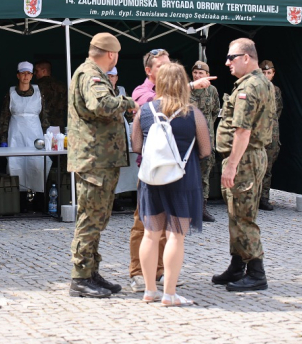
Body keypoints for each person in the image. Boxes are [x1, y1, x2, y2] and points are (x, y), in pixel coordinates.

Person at [128, 49, 216, 293]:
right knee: (175, 235)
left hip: (151, 177)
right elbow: (206, 150)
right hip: (182, 178)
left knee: (150, 234)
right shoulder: (192, 113)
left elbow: (135, 146)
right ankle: (168, 292)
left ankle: (149, 290)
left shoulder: (145, 111)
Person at [67, 32, 138, 298]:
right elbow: (101, 104)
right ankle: (80, 277)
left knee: (98, 217)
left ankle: (91, 271)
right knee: (90, 218)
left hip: (101, 160)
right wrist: (130, 102)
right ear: (112, 55)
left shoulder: (90, 73)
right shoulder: (91, 75)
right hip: (94, 160)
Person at [212, 38, 274, 292]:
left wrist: (231, 166)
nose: (227, 62)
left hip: (244, 158)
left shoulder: (250, 87)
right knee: (236, 214)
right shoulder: (261, 83)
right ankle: (238, 266)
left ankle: (256, 272)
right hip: (247, 157)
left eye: (231, 57)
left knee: (243, 217)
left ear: (246, 58)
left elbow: (242, 131)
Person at [0, 61, 50, 194]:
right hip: (15, 133)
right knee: (16, 163)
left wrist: (47, 136)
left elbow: (44, 116)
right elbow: (4, 117)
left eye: (28, 73)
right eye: (23, 73)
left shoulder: (39, 92)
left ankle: (37, 195)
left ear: (32, 76)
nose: (26, 76)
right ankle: (18, 195)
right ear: (18, 75)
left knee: (37, 163)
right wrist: (3, 137)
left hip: (36, 133)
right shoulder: (11, 93)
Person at [189, 60, 220, 222]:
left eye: (201, 73)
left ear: (207, 75)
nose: (198, 75)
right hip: (188, 140)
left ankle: (202, 208)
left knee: (204, 174)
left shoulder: (212, 91)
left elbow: (215, 111)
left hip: (206, 140)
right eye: (195, 72)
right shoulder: (187, 90)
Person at [107, 67, 136, 208]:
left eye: (112, 76)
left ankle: (117, 197)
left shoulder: (122, 91)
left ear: (116, 77)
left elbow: (130, 111)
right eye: (108, 76)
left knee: (122, 165)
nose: (110, 78)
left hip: (121, 126)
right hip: (106, 128)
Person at [258, 60, 283, 211]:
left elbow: (277, 110)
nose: (266, 75)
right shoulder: (254, 89)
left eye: (269, 73)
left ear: (273, 74)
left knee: (268, 166)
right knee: (254, 166)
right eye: (263, 72)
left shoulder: (276, 90)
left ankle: (264, 198)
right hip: (257, 132)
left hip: (272, 132)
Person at [34, 60, 67, 132]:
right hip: (58, 124)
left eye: (37, 71)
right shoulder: (61, 86)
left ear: (44, 71)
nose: (34, 73)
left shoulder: (36, 87)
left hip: (40, 125)